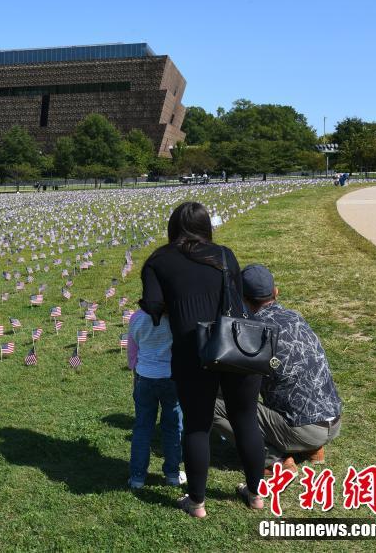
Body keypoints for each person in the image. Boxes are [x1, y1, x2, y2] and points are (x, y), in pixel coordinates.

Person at [140, 202, 263, 518]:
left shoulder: (158, 261)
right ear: (206, 226)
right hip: (236, 345)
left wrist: (174, 305)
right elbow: (234, 298)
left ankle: (196, 502)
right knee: (246, 418)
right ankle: (255, 494)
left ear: (173, 228)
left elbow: (152, 308)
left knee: (197, 424)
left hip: (192, 350)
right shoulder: (224, 255)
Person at [213, 265, 341, 473]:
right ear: (276, 292)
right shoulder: (295, 316)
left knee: (209, 402)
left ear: (241, 298)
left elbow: (237, 386)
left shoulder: (252, 331)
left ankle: (271, 458)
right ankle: (313, 449)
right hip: (333, 421)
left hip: (303, 429)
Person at [127, 305, 185, 489]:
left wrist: (134, 369)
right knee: (173, 427)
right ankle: (172, 474)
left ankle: (137, 477)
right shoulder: (177, 317)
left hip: (145, 376)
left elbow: (132, 349)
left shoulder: (136, 317)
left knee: (142, 428)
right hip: (171, 377)